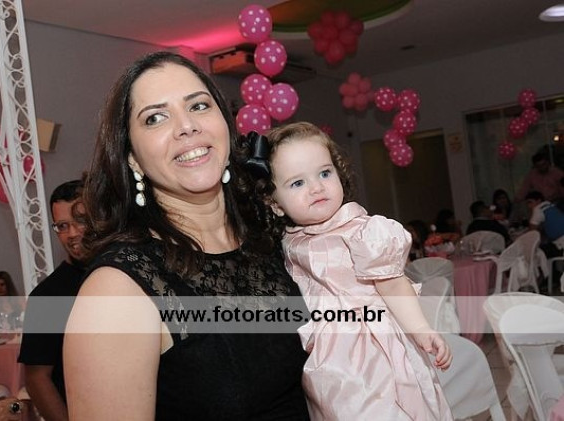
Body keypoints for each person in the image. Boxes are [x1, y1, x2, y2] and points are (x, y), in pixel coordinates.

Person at [63, 51, 309, 420]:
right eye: (155, 118)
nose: (186, 126)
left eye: (198, 105)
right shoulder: (117, 290)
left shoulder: (272, 234)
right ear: (132, 157)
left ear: (225, 124)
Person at [247, 122, 452, 420]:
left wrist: (420, 329)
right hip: (329, 364)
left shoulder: (363, 231)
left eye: (324, 173)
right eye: (297, 183)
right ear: (275, 204)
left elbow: (393, 285)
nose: (316, 187)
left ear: (339, 172)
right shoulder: (288, 243)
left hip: (376, 351)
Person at [18, 179, 87, 421]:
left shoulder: (124, 272)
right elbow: (37, 378)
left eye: (81, 221)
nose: (73, 234)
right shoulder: (48, 296)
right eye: (62, 226)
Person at [525, 191, 564, 259]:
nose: (529, 206)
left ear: (539, 201)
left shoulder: (538, 209)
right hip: (559, 241)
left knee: (535, 254)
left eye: (530, 202)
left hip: (560, 244)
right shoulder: (550, 205)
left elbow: (532, 231)